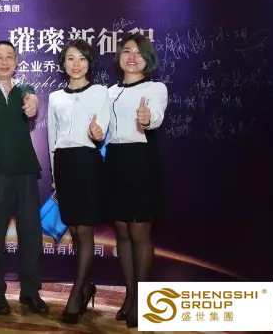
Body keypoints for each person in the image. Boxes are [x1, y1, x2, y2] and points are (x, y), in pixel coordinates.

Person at [0, 40, 48, 316]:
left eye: (9, 57)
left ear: (16, 62)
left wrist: (32, 105)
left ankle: (30, 292)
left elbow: (32, 100)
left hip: (25, 171)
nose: (4, 62)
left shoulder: (24, 88)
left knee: (31, 235)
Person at [104, 33, 168, 329]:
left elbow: (155, 116)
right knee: (122, 232)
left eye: (139, 52)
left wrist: (146, 117)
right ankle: (130, 295)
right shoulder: (108, 92)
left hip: (141, 160)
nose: (132, 57)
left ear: (148, 58)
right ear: (119, 56)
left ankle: (142, 300)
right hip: (115, 161)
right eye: (127, 51)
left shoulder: (155, 88)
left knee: (139, 231)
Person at [47, 39, 109, 324]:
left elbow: (102, 128)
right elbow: (52, 139)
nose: (76, 64)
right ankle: (86, 287)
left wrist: (97, 132)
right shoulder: (55, 97)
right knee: (73, 229)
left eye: (82, 58)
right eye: (70, 58)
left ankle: (77, 292)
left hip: (87, 162)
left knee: (84, 230)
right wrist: (55, 176)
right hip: (64, 164)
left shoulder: (100, 92)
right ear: (63, 63)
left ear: (89, 63)